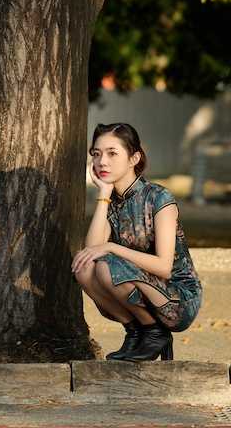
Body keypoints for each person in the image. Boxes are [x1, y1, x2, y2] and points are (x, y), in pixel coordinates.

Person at [71, 122, 202, 361]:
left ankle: (155, 335)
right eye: (96, 154)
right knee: (84, 267)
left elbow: (163, 266)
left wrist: (111, 246)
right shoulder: (114, 202)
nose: (102, 162)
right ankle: (135, 332)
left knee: (105, 264)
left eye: (112, 153)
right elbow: (91, 251)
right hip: (141, 288)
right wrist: (103, 194)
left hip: (177, 297)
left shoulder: (159, 197)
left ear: (134, 158)